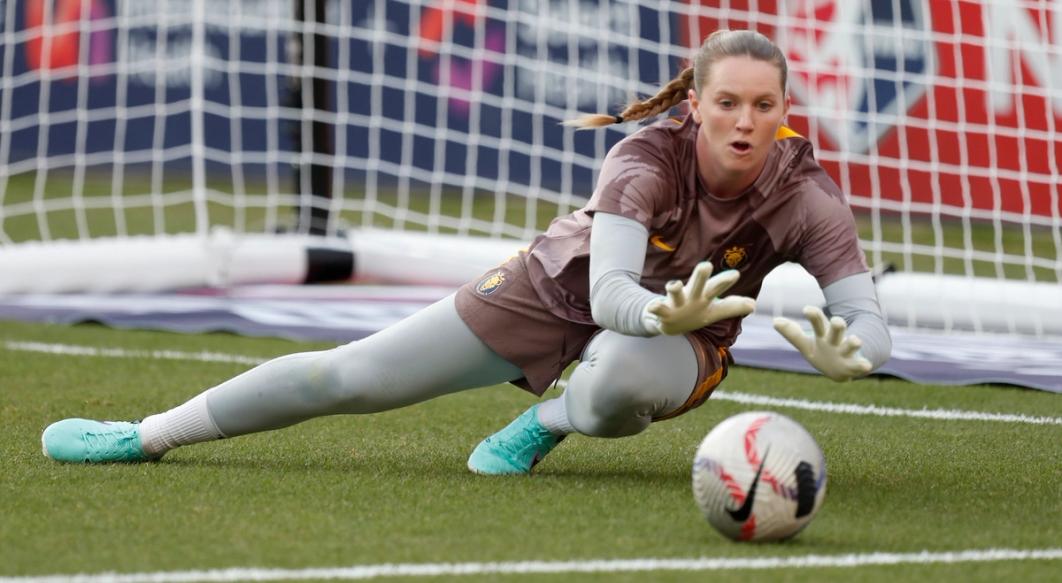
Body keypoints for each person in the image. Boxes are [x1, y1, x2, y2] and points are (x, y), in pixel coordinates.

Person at [41, 30, 891, 474]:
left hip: (675, 343)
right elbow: (610, 293)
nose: (747, 122)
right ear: (695, 105)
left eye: (765, 105)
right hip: (563, 287)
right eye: (729, 103)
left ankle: (544, 419)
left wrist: (855, 352)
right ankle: (146, 435)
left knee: (616, 385)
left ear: (784, 109)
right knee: (345, 378)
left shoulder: (806, 191)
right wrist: (658, 307)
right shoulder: (642, 159)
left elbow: (863, 316)